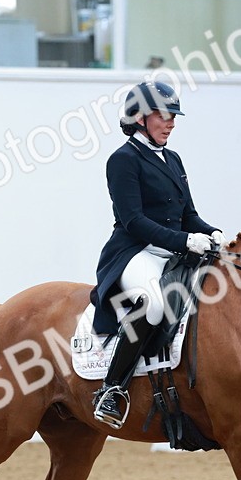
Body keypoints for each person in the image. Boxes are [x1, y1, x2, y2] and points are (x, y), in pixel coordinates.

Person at [89, 81, 224, 429]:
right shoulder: (122, 160)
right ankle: (112, 389)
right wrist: (185, 241)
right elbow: (133, 221)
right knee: (153, 303)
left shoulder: (173, 158)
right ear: (139, 118)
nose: (171, 123)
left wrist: (211, 232)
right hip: (135, 251)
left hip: (173, 250)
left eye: (173, 117)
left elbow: (188, 214)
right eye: (163, 116)